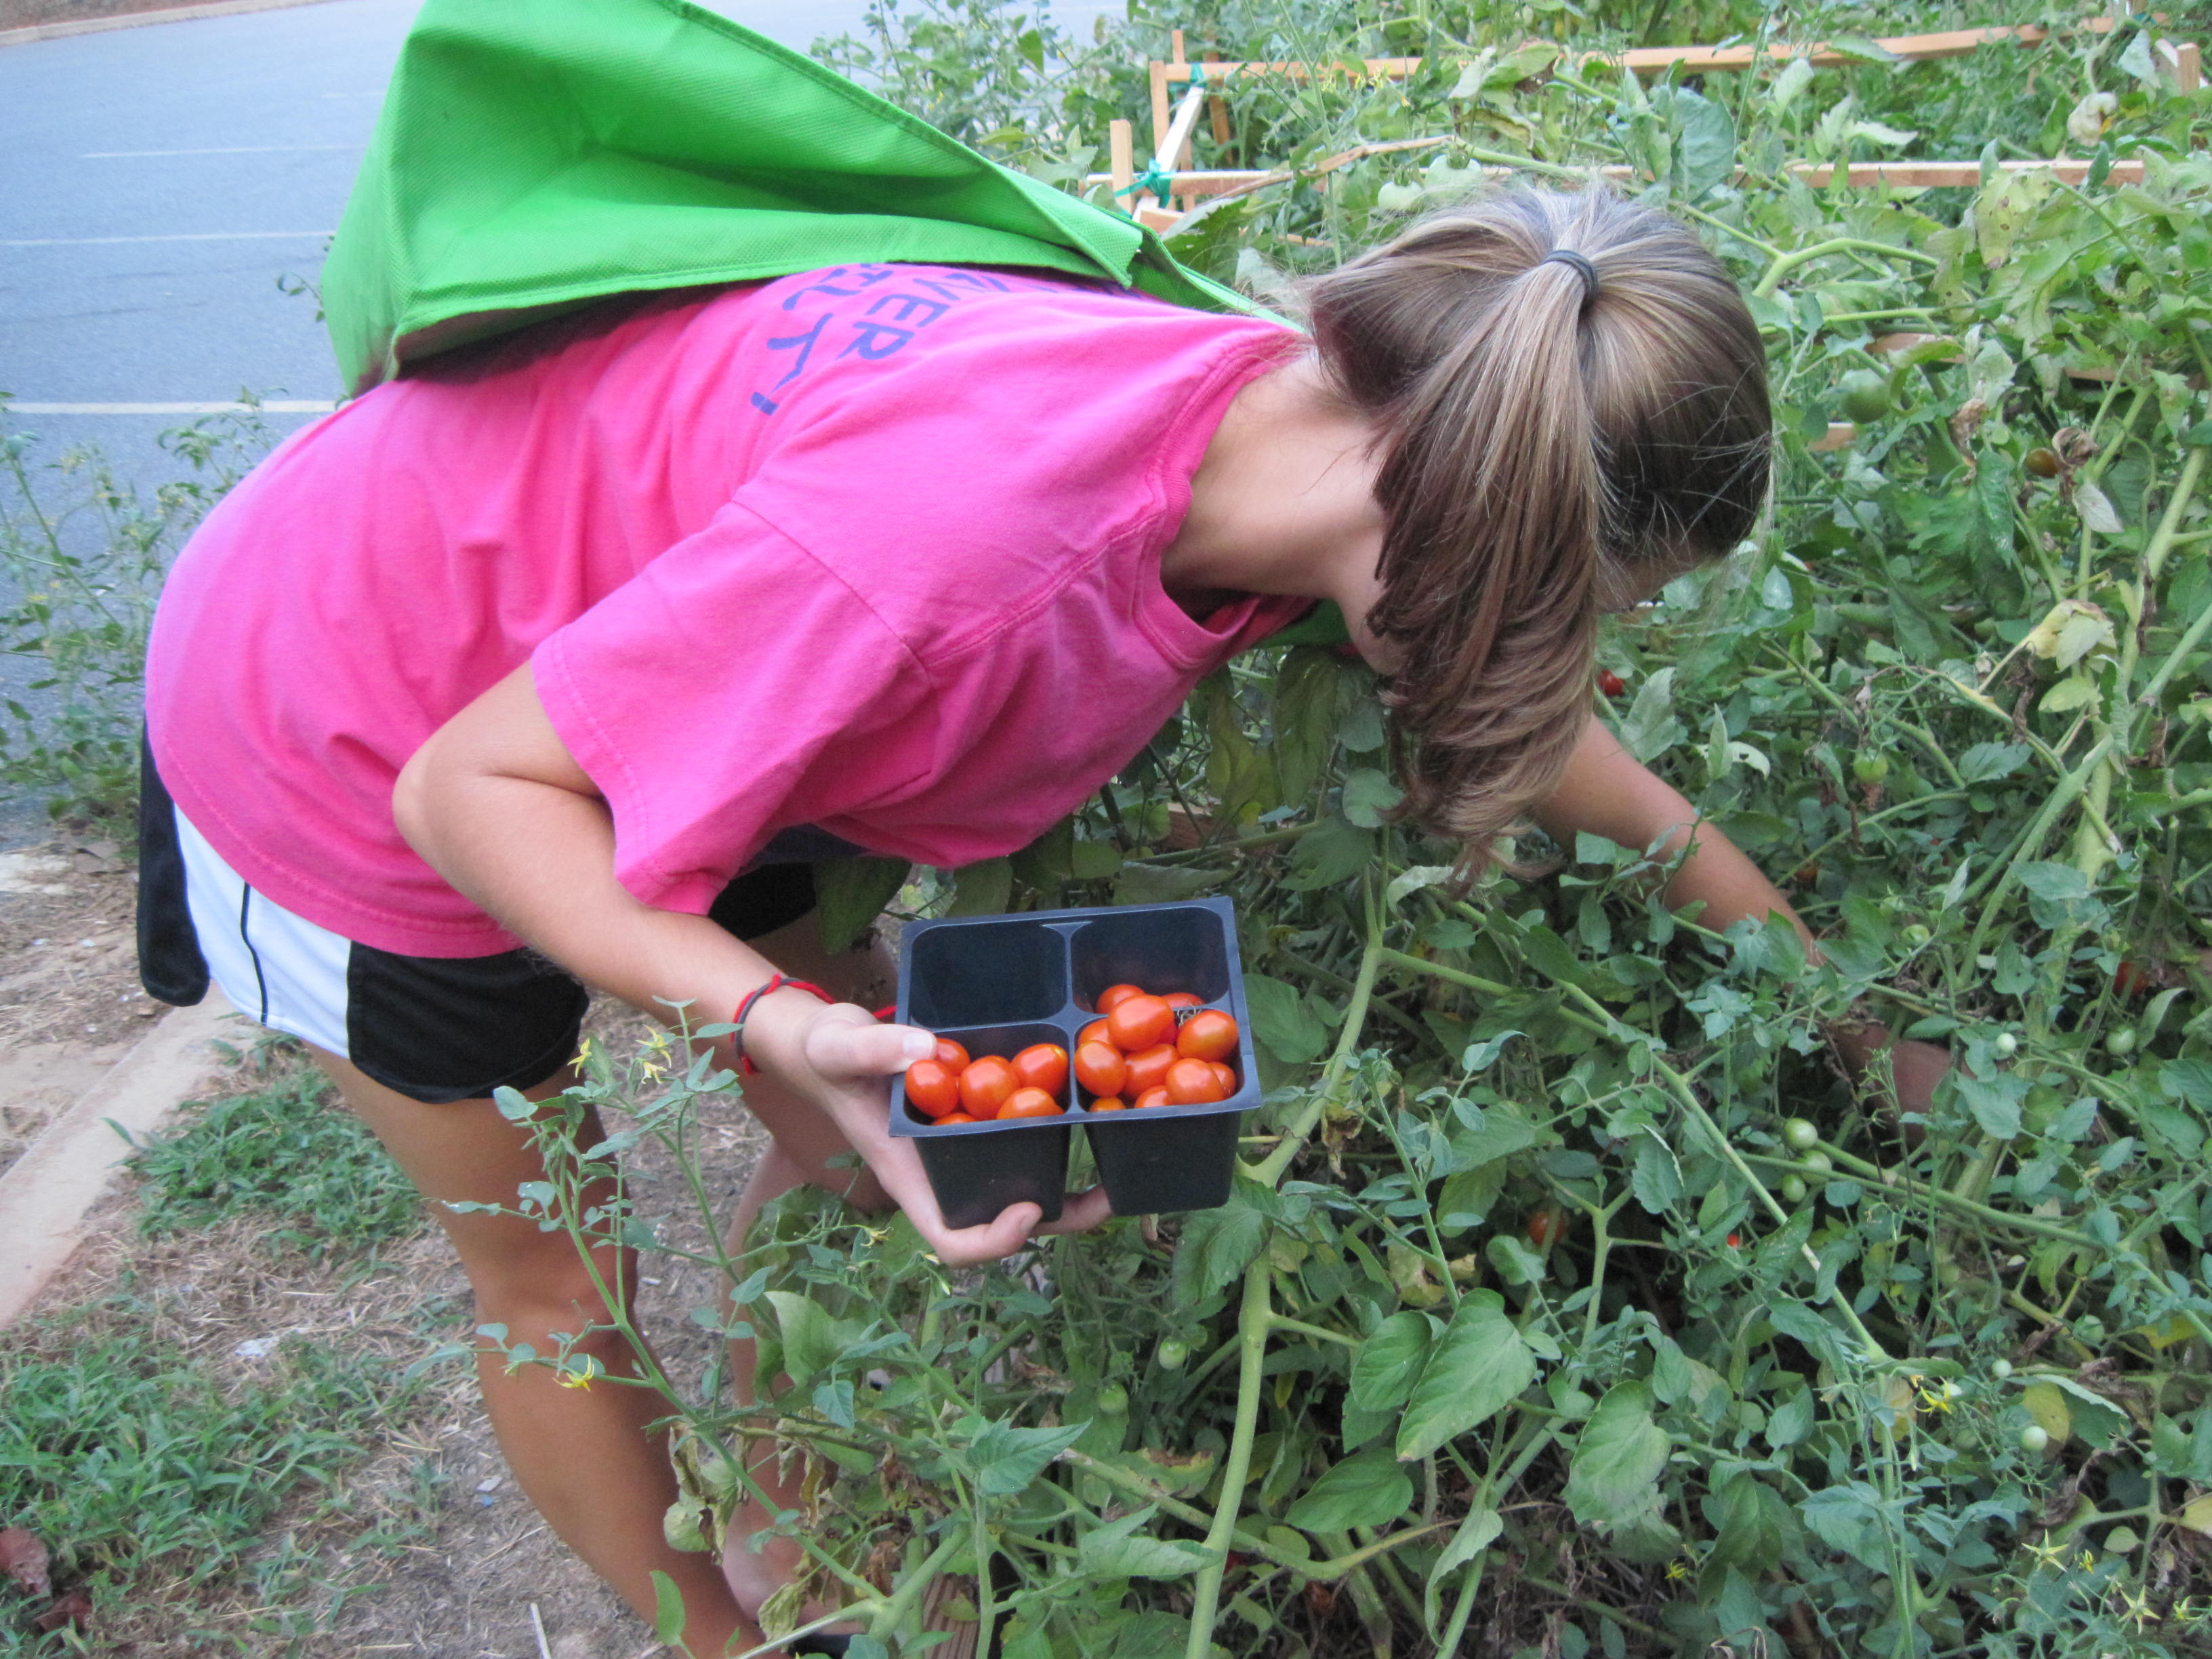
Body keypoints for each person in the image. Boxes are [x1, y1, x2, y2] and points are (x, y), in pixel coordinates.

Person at [136, 187, 1938, 1654]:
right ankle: (721, 1646)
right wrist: (770, 1018)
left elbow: (1588, 772)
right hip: (347, 700)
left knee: (860, 1143)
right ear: (1468, 523)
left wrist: (1842, 1011)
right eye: (1573, 618)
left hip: (680, 656)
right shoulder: (956, 556)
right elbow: (471, 794)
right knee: (555, 1261)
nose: (1569, 669)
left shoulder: (1329, 436)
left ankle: (770, 1481)